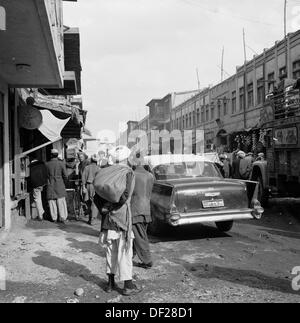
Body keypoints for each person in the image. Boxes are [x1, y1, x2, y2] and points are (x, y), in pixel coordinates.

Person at [94, 146, 140, 296]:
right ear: (127, 158)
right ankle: (128, 285)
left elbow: (96, 196)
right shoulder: (128, 173)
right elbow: (125, 196)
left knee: (110, 251)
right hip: (122, 217)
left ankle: (110, 284)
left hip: (108, 219)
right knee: (125, 251)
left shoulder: (105, 172)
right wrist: (114, 206)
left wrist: (104, 208)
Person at [131, 153, 154, 269]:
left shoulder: (132, 175)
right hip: (146, 209)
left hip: (135, 209)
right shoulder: (150, 175)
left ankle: (147, 260)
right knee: (139, 234)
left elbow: (130, 193)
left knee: (139, 236)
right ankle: (131, 255)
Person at [45, 149, 68, 224]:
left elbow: (45, 175)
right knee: (61, 201)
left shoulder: (47, 164)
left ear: (51, 155)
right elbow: (65, 175)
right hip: (59, 184)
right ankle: (63, 217)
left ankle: (54, 218)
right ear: (57, 155)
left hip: (50, 184)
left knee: (52, 202)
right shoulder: (61, 163)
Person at [28, 154, 47, 221]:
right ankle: (42, 213)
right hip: (42, 184)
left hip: (35, 185)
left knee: (37, 199)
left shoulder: (31, 167)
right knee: (41, 198)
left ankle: (40, 215)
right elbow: (45, 174)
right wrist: (44, 183)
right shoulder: (42, 164)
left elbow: (30, 178)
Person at [82, 154, 100, 226]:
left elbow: (83, 178)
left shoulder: (87, 168)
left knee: (88, 201)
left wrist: (83, 187)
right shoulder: (98, 168)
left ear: (91, 160)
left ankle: (90, 218)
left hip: (88, 185)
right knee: (94, 203)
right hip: (95, 186)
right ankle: (92, 219)